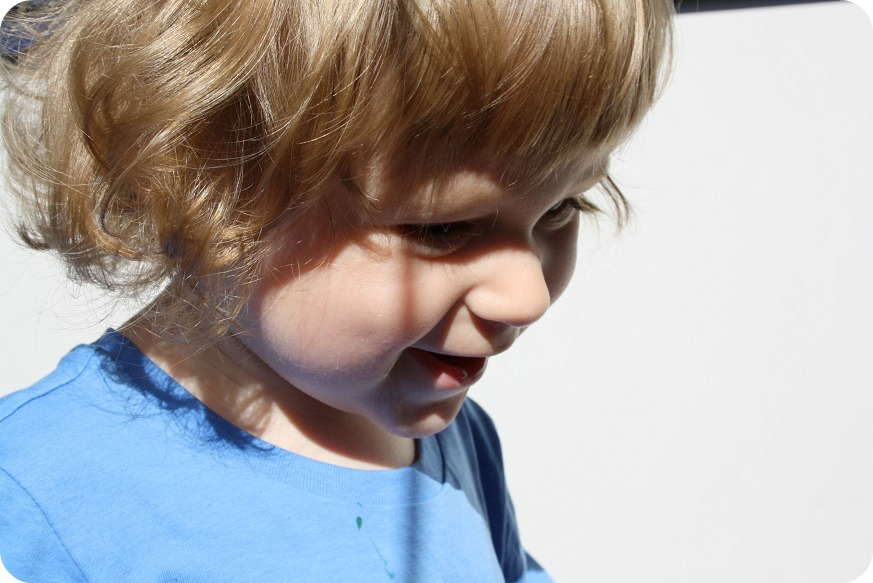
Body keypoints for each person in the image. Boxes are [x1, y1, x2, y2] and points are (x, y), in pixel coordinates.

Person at [0, 0, 672, 580]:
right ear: (196, 184)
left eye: (562, 207)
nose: (526, 296)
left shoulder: (461, 440)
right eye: (441, 228)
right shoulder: (39, 486)